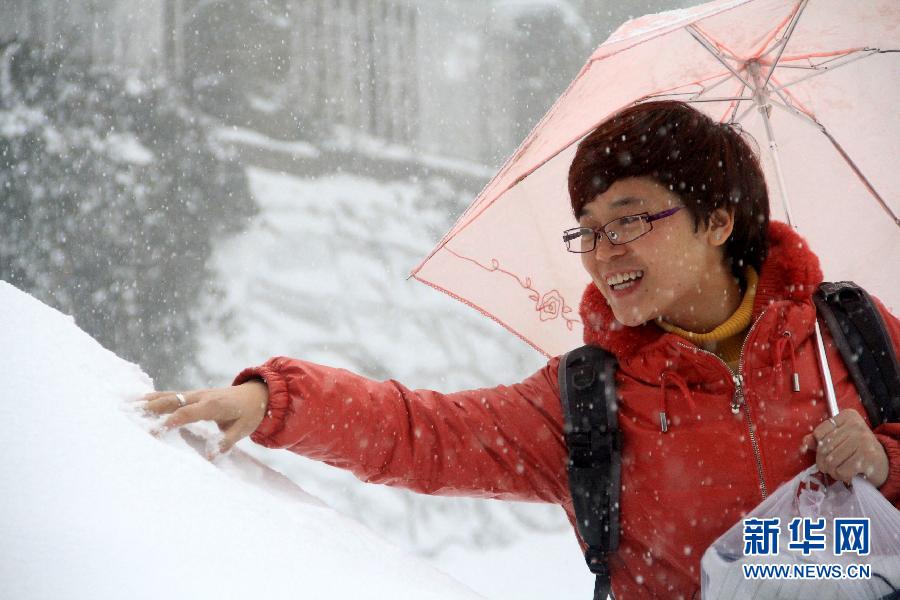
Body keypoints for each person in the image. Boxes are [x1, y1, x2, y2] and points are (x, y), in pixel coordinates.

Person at [142, 101, 900, 599]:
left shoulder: (853, 334)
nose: (604, 251)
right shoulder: (591, 402)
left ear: (718, 222)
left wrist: (884, 463)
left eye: (630, 219)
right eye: (589, 229)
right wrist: (277, 400)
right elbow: (426, 434)